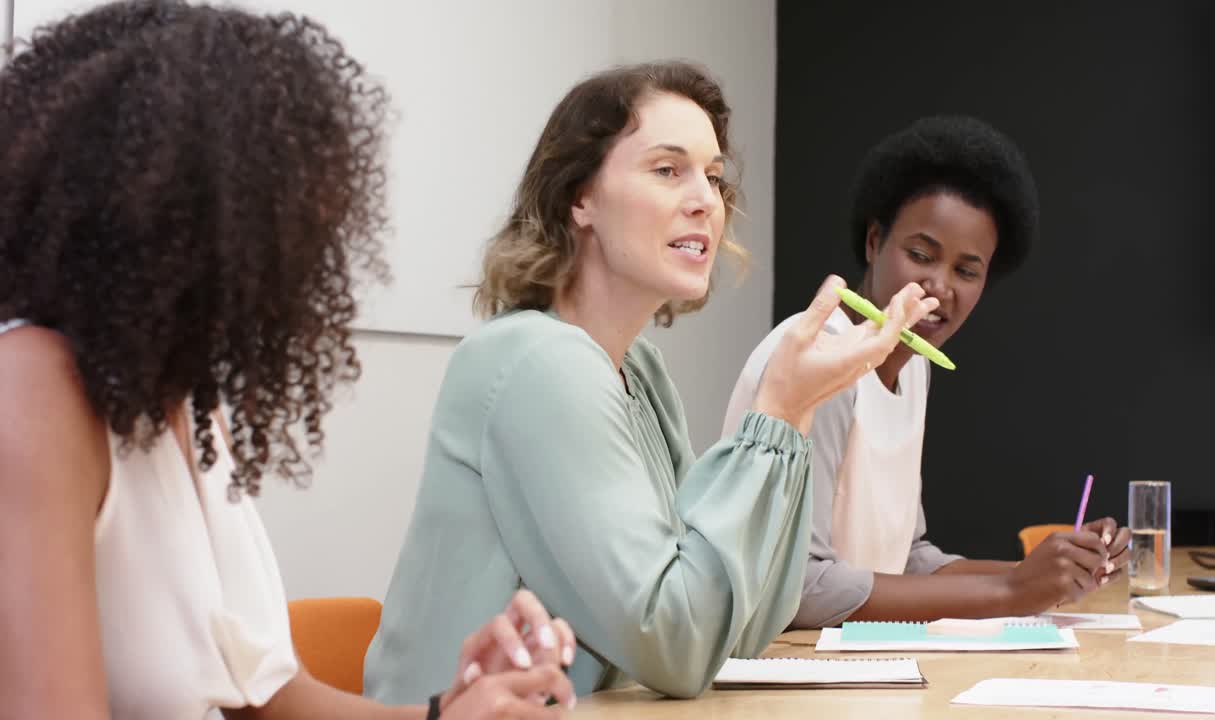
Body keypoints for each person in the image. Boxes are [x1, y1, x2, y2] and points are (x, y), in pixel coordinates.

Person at [0, 2, 574, 718]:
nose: (310, 261)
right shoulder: (37, 389)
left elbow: (271, 701)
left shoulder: (184, 403)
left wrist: (449, 712)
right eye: (290, 220)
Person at [363, 60, 938, 702]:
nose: (706, 202)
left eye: (714, 178)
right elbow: (677, 645)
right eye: (668, 170)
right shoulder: (534, 362)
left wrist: (795, 417)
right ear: (579, 197)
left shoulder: (638, 367)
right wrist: (778, 411)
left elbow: (744, 624)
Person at [723, 115, 1132, 627]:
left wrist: (1050, 571)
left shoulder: (913, 367)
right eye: (920, 255)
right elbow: (802, 587)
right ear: (874, 242)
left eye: (967, 271)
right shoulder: (818, 362)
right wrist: (1010, 590)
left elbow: (908, 560)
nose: (940, 286)